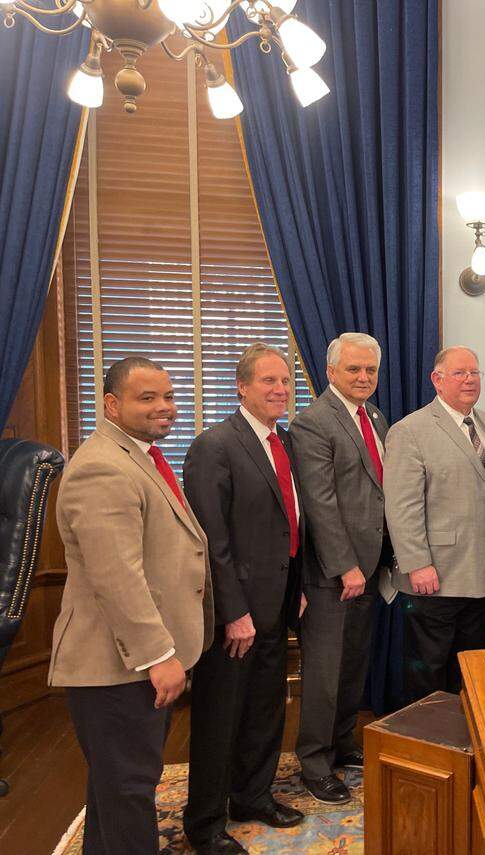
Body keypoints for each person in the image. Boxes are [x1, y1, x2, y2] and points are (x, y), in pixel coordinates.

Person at [49, 357, 212, 854]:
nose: (164, 407)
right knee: (128, 792)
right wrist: (157, 655)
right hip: (118, 666)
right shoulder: (102, 466)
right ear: (111, 404)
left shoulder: (139, 455)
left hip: (134, 663)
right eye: (147, 398)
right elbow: (117, 577)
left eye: (167, 396)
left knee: (116, 788)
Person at [182, 344, 305, 854]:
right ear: (241, 387)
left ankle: (253, 796)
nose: (280, 390)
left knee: (265, 708)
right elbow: (212, 540)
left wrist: (295, 590)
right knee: (220, 717)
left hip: (278, 602)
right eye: (268, 382)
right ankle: (205, 823)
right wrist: (234, 612)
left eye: (286, 382)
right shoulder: (215, 446)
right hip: (237, 612)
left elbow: (290, 522)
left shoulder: (286, 442)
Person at [291, 333, 393, 805]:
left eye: (370, 370)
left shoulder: (373, 416)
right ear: (330, 372)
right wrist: (345, 566)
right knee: (325, 670)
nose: (363, 378)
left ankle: (341, 743)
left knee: (353, 664)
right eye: (353, 370)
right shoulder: (313, 423)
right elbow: (319, 502)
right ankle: (314, 761)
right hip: (334, 572)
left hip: (369, 566)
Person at [385, 346, 485, 703]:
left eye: (474, 373)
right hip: (433, 578)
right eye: (460, 373)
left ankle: (464, 746)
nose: (469, 380)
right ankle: (429, 750)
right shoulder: (410, 430)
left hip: (482, 574)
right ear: (437, 380)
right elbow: (401, 506)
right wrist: (417, 563)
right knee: (428, 674)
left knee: (469, 673)